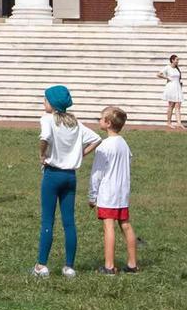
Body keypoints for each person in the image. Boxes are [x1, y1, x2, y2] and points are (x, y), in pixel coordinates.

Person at [35, 85, 100, 277]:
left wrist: (42, 154)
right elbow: (96, 138)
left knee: (48, 219)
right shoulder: (75, 123)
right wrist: (80, 154)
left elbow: (44, 137)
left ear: (52, 104)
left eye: (45, 100)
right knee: (69, 222)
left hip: (52, 174)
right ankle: (69, 266)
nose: (43, 103)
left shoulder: (47, 119)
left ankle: (41, 265)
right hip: (70, 176)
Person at [89, 106, 137, 274]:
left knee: (108, 227)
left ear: (108, 123)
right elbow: (129, 161)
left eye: (101, 118)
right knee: (126, 225)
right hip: (122, 192)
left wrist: (92, 196)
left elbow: (97, 173)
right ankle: (132, 264)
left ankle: (109, 266)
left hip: (108, 193)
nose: (99, 121)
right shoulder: (124, 143)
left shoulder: (103, 146)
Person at [158, 55, 184, 130]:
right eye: (176, 60)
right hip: (171, 87)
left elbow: (179, 78)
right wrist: (167, 78)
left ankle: (179, 123)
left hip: (177, 87)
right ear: (172, 60)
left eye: (178, 60)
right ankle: (169, 122)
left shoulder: (177, 69)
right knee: (171, 105)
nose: (177, 61)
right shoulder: (167, 67)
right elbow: (158, 74)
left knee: (178, 104)